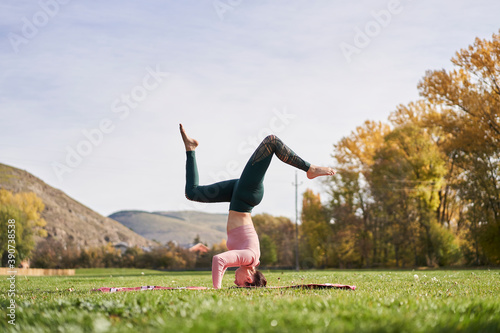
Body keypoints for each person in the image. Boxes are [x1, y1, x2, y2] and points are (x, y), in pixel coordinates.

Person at [180, 124, 336, 289]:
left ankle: (191, 148)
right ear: (248, 279)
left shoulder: (247, 260)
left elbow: (224, 265)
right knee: (271, 142)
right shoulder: (249, 257)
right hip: (245, 196)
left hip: (238, 197)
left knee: (192, 192)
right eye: (238, 284)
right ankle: (310, 169)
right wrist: (216, 290)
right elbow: (219, 260)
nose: (234, 282)